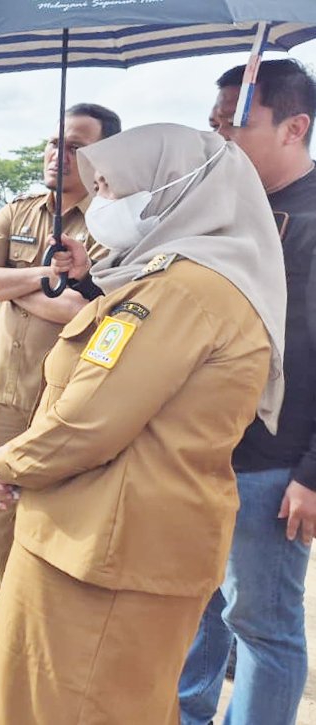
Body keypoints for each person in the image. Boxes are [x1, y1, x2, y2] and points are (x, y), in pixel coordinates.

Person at [0, 123, 286, 723]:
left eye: (113, 187)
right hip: (111, 538)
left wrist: (10, 461)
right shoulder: (185, 279)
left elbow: (92, 416)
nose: (104, 204)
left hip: (106, 550)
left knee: (73, 703)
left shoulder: (183, 291)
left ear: (170, 190)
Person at [0, 103, 121, 642]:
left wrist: (14, 291)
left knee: (61, 506)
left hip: (71, 396)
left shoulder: (114, 221)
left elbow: (89, 312)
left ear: (102, 155)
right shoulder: (16, 213)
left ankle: (38, 616)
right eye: (53, 142)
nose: (58, 154)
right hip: (6, 385)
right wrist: (44, 275)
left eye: (76, 145)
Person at [178, 58, 316, 725]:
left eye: (236, 126)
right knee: (195, 604)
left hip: (273, 466)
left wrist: (312, 473)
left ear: (294, 127)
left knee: (263, 626)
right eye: (211, 126)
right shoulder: (224, 212)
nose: (218, 143)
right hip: (201, 450)